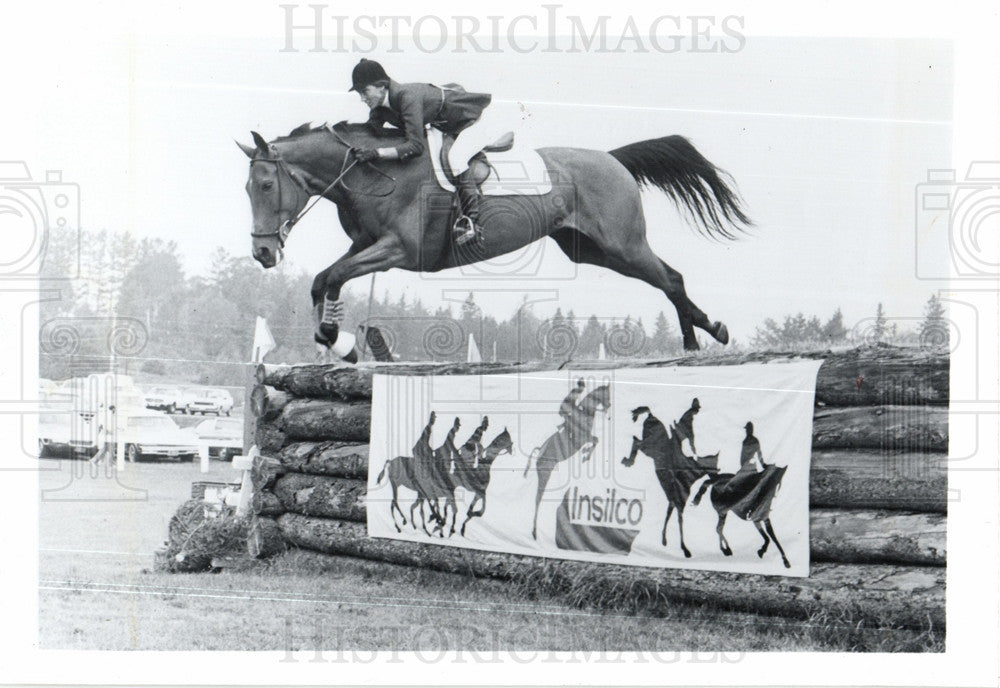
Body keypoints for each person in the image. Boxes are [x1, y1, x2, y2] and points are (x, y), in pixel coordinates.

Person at [347, 58, 493, 245]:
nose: (362, 98)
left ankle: (471, 221)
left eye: (364, 91)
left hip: (473, 120)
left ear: (381, 86)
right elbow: (369, 132)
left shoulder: (408, 97)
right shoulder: (380, 107)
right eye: (360, 93)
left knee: (455, 159)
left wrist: (377, 153)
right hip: (446, 126)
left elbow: (415, 146)